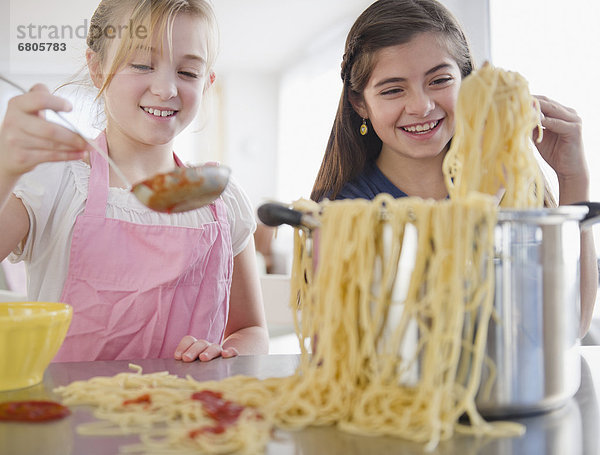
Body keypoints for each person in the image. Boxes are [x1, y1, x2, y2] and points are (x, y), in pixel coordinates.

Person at [0, 0, 269, 362]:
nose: (165, 89)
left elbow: (252, 330)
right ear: (97, 68)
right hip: (68, 415)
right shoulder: (52, 183)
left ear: (207, 83)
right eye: (142, 64)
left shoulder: (221, 198)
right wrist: (5, 169)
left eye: (188, 73)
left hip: (189, 414)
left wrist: (227, 352)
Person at [311, 0, 597, 335]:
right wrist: (477, 207)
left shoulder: (512, 181)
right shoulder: (345, 209)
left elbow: (568, 325)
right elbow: (394, 345)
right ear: (360, 104)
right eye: (392, 90)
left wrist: (571, 177)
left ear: (468, 84)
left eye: (440, 80)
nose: (421, 106)